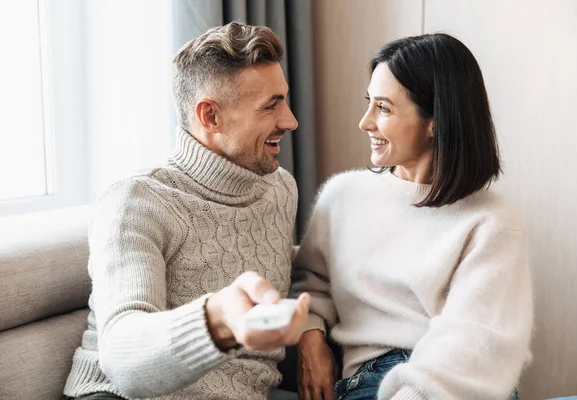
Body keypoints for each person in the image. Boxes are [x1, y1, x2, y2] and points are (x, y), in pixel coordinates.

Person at [62, 21, 310, 400]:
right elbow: (124, 358)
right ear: (210, 116)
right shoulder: (138, 201)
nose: (290, 121)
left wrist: (313, 335)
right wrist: (218, 320)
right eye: (270, 106)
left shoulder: (280, 188)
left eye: (285, 99)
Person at [291, 33, 533, 400]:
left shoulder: (491, 222)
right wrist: (312, 339)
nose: (365, 122)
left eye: (383, 108)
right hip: (368, 380)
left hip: (458, 384)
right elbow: (310, 281)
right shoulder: (343, 196)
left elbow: (471, 345)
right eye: (368, 103)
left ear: (435, 120)